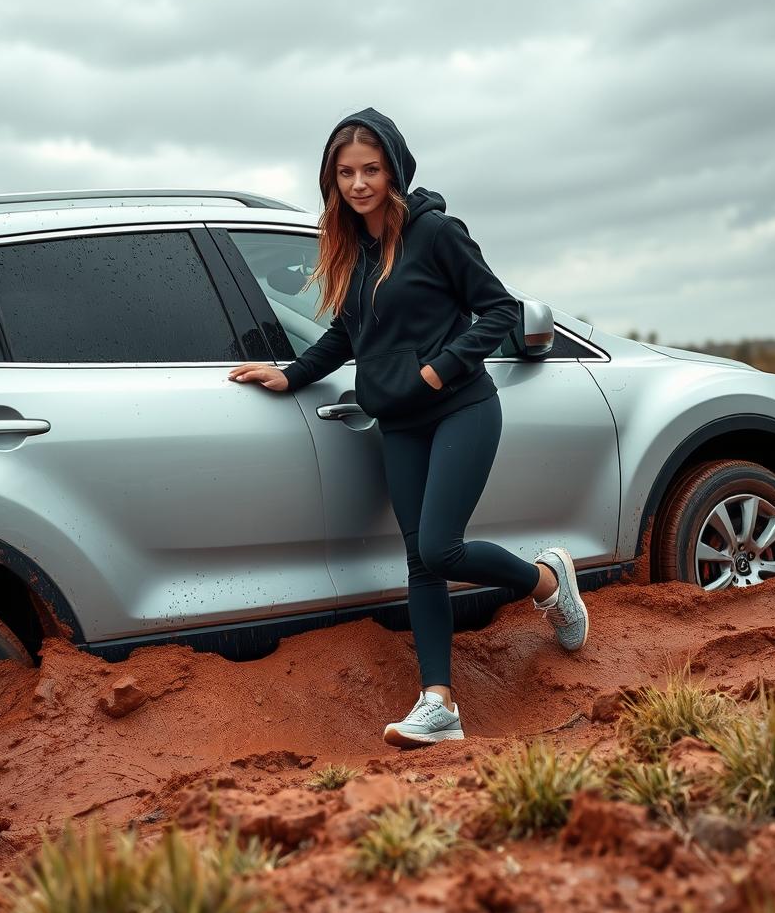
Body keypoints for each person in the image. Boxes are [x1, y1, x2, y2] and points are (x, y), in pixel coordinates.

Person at [228, 107, 588, 748]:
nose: (359, 183)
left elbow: (500, 308)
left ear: (394, 169)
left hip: (460, 409)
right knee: (421, 563)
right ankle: (439, 704)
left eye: (371, 169)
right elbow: (347, 332)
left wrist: (434, 373)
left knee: (438, 550)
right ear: (331, 182)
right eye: (346, 173)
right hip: (400, 425)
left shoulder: (435, 233)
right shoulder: (356, 250)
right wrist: (292, 374)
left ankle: (549, 583)